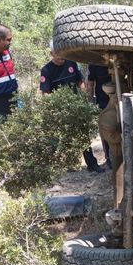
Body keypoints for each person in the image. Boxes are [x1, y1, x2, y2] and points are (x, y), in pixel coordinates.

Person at [39, 41, 104, 173]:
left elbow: (80, 82)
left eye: (61, 53)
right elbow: (45, 94)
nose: (60, 56)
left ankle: (92, 165)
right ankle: (66, 165)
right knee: (63, 138)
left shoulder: (72, 64)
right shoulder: (46, 70)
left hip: (76, 107)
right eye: (56, 54)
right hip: (60, 109)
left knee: (83, 138)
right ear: (51, 54)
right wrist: (57, 106)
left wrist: (84, 98)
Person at [86, 64, 112, 170]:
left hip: (122, 97)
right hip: (103, 102)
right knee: (105, 130)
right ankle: (109, 158)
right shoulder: (93, 61)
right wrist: (89, 103)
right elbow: (90, 84)